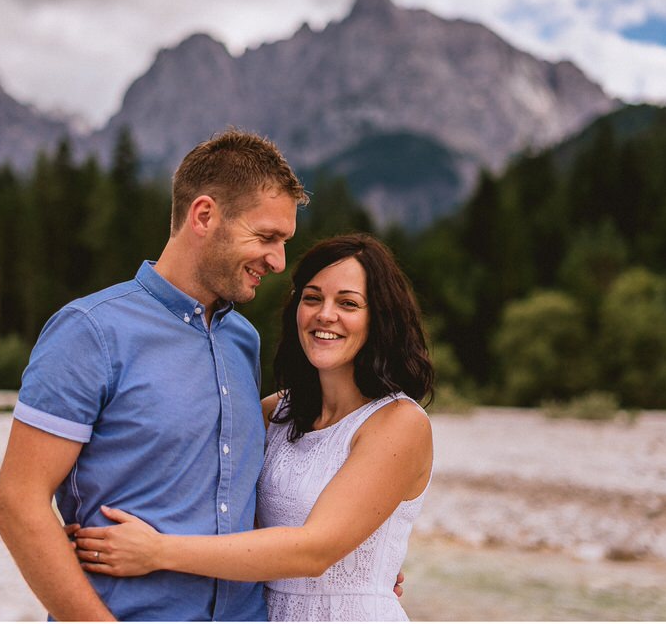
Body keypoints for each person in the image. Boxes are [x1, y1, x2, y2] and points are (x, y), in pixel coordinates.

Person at [0, 128, 308, 621]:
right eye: (266, 237)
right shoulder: (90, 331)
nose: (278, 260)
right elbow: (17, 504)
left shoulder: (242, 340)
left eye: (283, 241)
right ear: (204, 215)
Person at [69, 233, 435, 621]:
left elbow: (313, 552)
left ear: (381, 318)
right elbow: (202, 495)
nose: (325, 314)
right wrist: (83, 525)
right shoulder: (272, 414)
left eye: (348, 303)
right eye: (312, 298)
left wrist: (157, 552)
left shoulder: (399, 423)